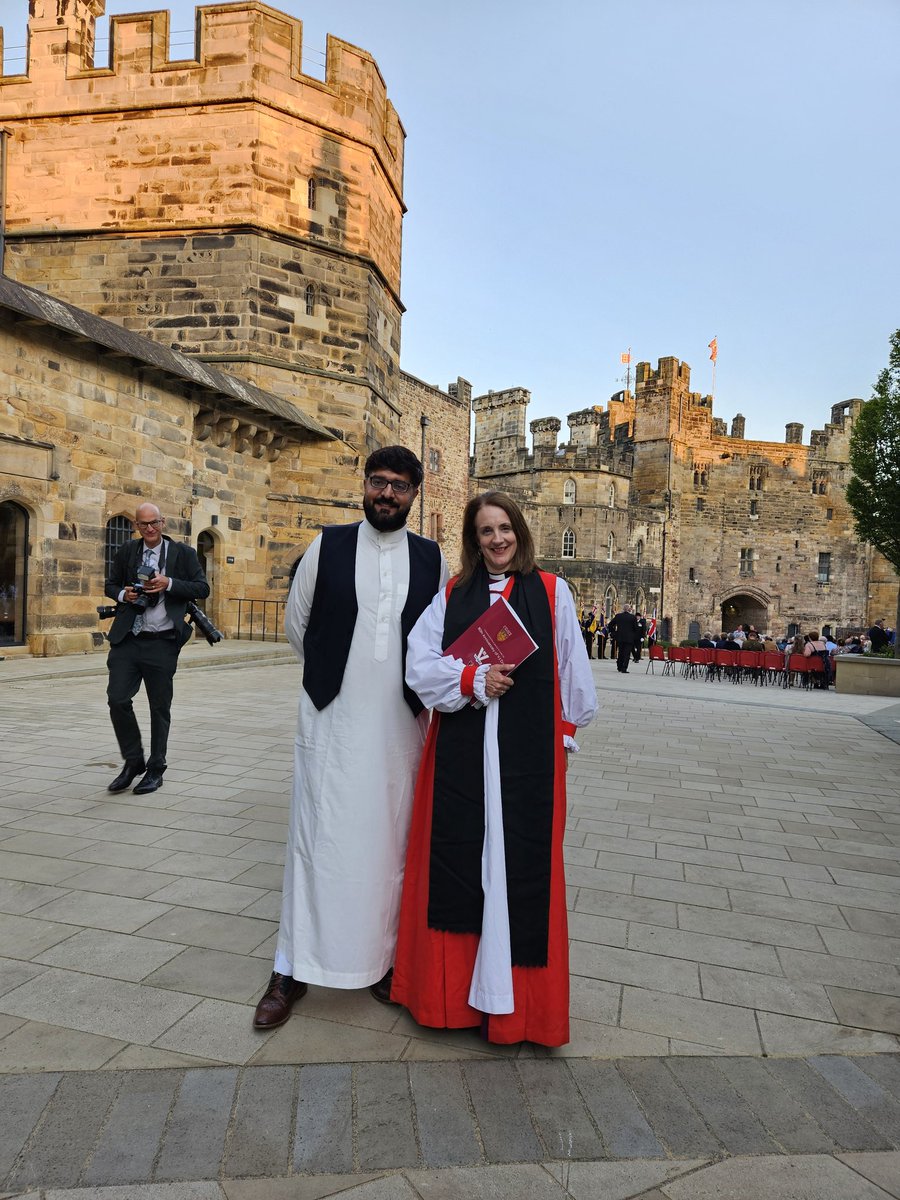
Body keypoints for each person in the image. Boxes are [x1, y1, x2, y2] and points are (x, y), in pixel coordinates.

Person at [391, 491, 596, 1046]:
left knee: (518, 873)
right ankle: (451, 1001)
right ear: (473, 539)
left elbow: (572, 669)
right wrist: (471, 682)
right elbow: (419, 664)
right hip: (462, 751)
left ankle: (521, 1012)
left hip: (527, 758)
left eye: (505, 528)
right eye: (486, 531)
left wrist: (566, 734)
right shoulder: (452, 595)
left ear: (520, 531)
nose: (497, 539)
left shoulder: (554, 592)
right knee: (459, 867)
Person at [252, 447, 447, 1030]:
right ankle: (292, 966)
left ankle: (384, 962)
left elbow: (436, 639)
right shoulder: (327, 545)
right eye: (379, 483)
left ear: (415, 495)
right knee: (318, 836)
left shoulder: (430, 558)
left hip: (399, 726)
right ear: (364, 485)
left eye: (400, 487)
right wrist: (336, 678)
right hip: (332, 720)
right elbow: (297, 627)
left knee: (390, 841)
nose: (387, 494)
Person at [104, 502, 209, 796]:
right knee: (117, 699)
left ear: (163, 522)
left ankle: (156, 768)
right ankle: (133, 761)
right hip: (129, 639)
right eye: (142, 524)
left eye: (154, 523)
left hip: (162, 641)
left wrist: (169, 583)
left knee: (159, 707)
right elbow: (110, 585)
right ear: (136, 526)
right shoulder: (127, 551)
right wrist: (125, 593)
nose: (149, 529)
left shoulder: (183, 554)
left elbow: (202, 588)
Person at [608, 604, 640, 673]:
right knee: (627, 654)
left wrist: (613, 633)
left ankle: (619, 666)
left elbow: (610, 625)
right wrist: (634, 636)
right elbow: (636, 628)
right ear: (629, 609)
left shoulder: (618, 616)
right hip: (629, 638)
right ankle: (624, 668)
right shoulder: (632, 617)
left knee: (621, 652)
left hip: (620, 637)